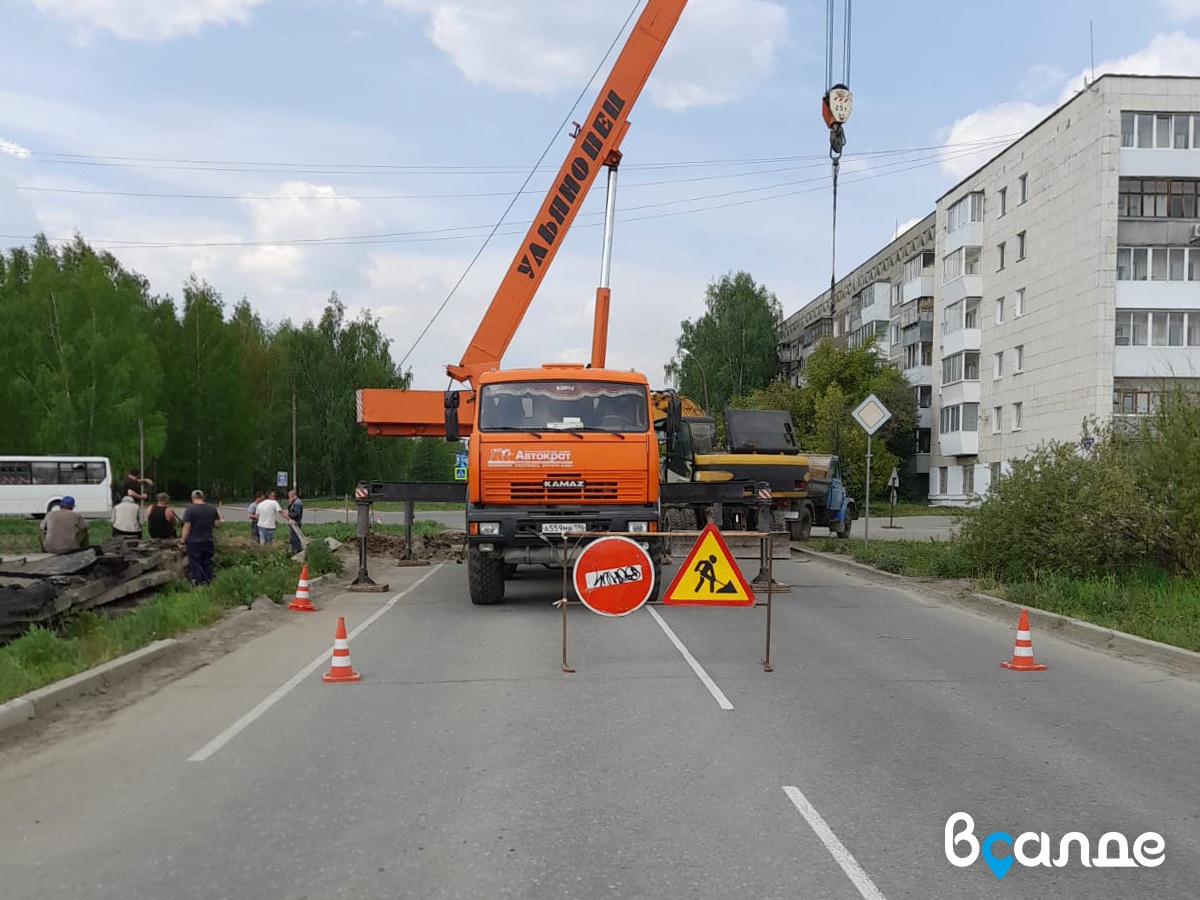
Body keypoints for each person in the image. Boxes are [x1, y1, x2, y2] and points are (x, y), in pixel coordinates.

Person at [180, 489, 223, 585]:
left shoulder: (190, 510)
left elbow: (187, 526)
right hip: (208, 539)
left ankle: (198, 582)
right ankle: (208, 581)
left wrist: (182, 541)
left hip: (194, 541)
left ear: (192, 498)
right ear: (203, 497)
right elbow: (217, 525)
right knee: (207, 562)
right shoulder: (212, 508)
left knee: (195, 562)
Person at [286, 489, 304, 554]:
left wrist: (289, 514)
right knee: (294, 537)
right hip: (294, 522)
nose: (289, 498)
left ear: (293, 496)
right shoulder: (295, 502)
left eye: (289, 497)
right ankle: (295, 549)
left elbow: (296, 513)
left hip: (296, 522)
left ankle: (297, 550)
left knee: (294, 538)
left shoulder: (297, 503)